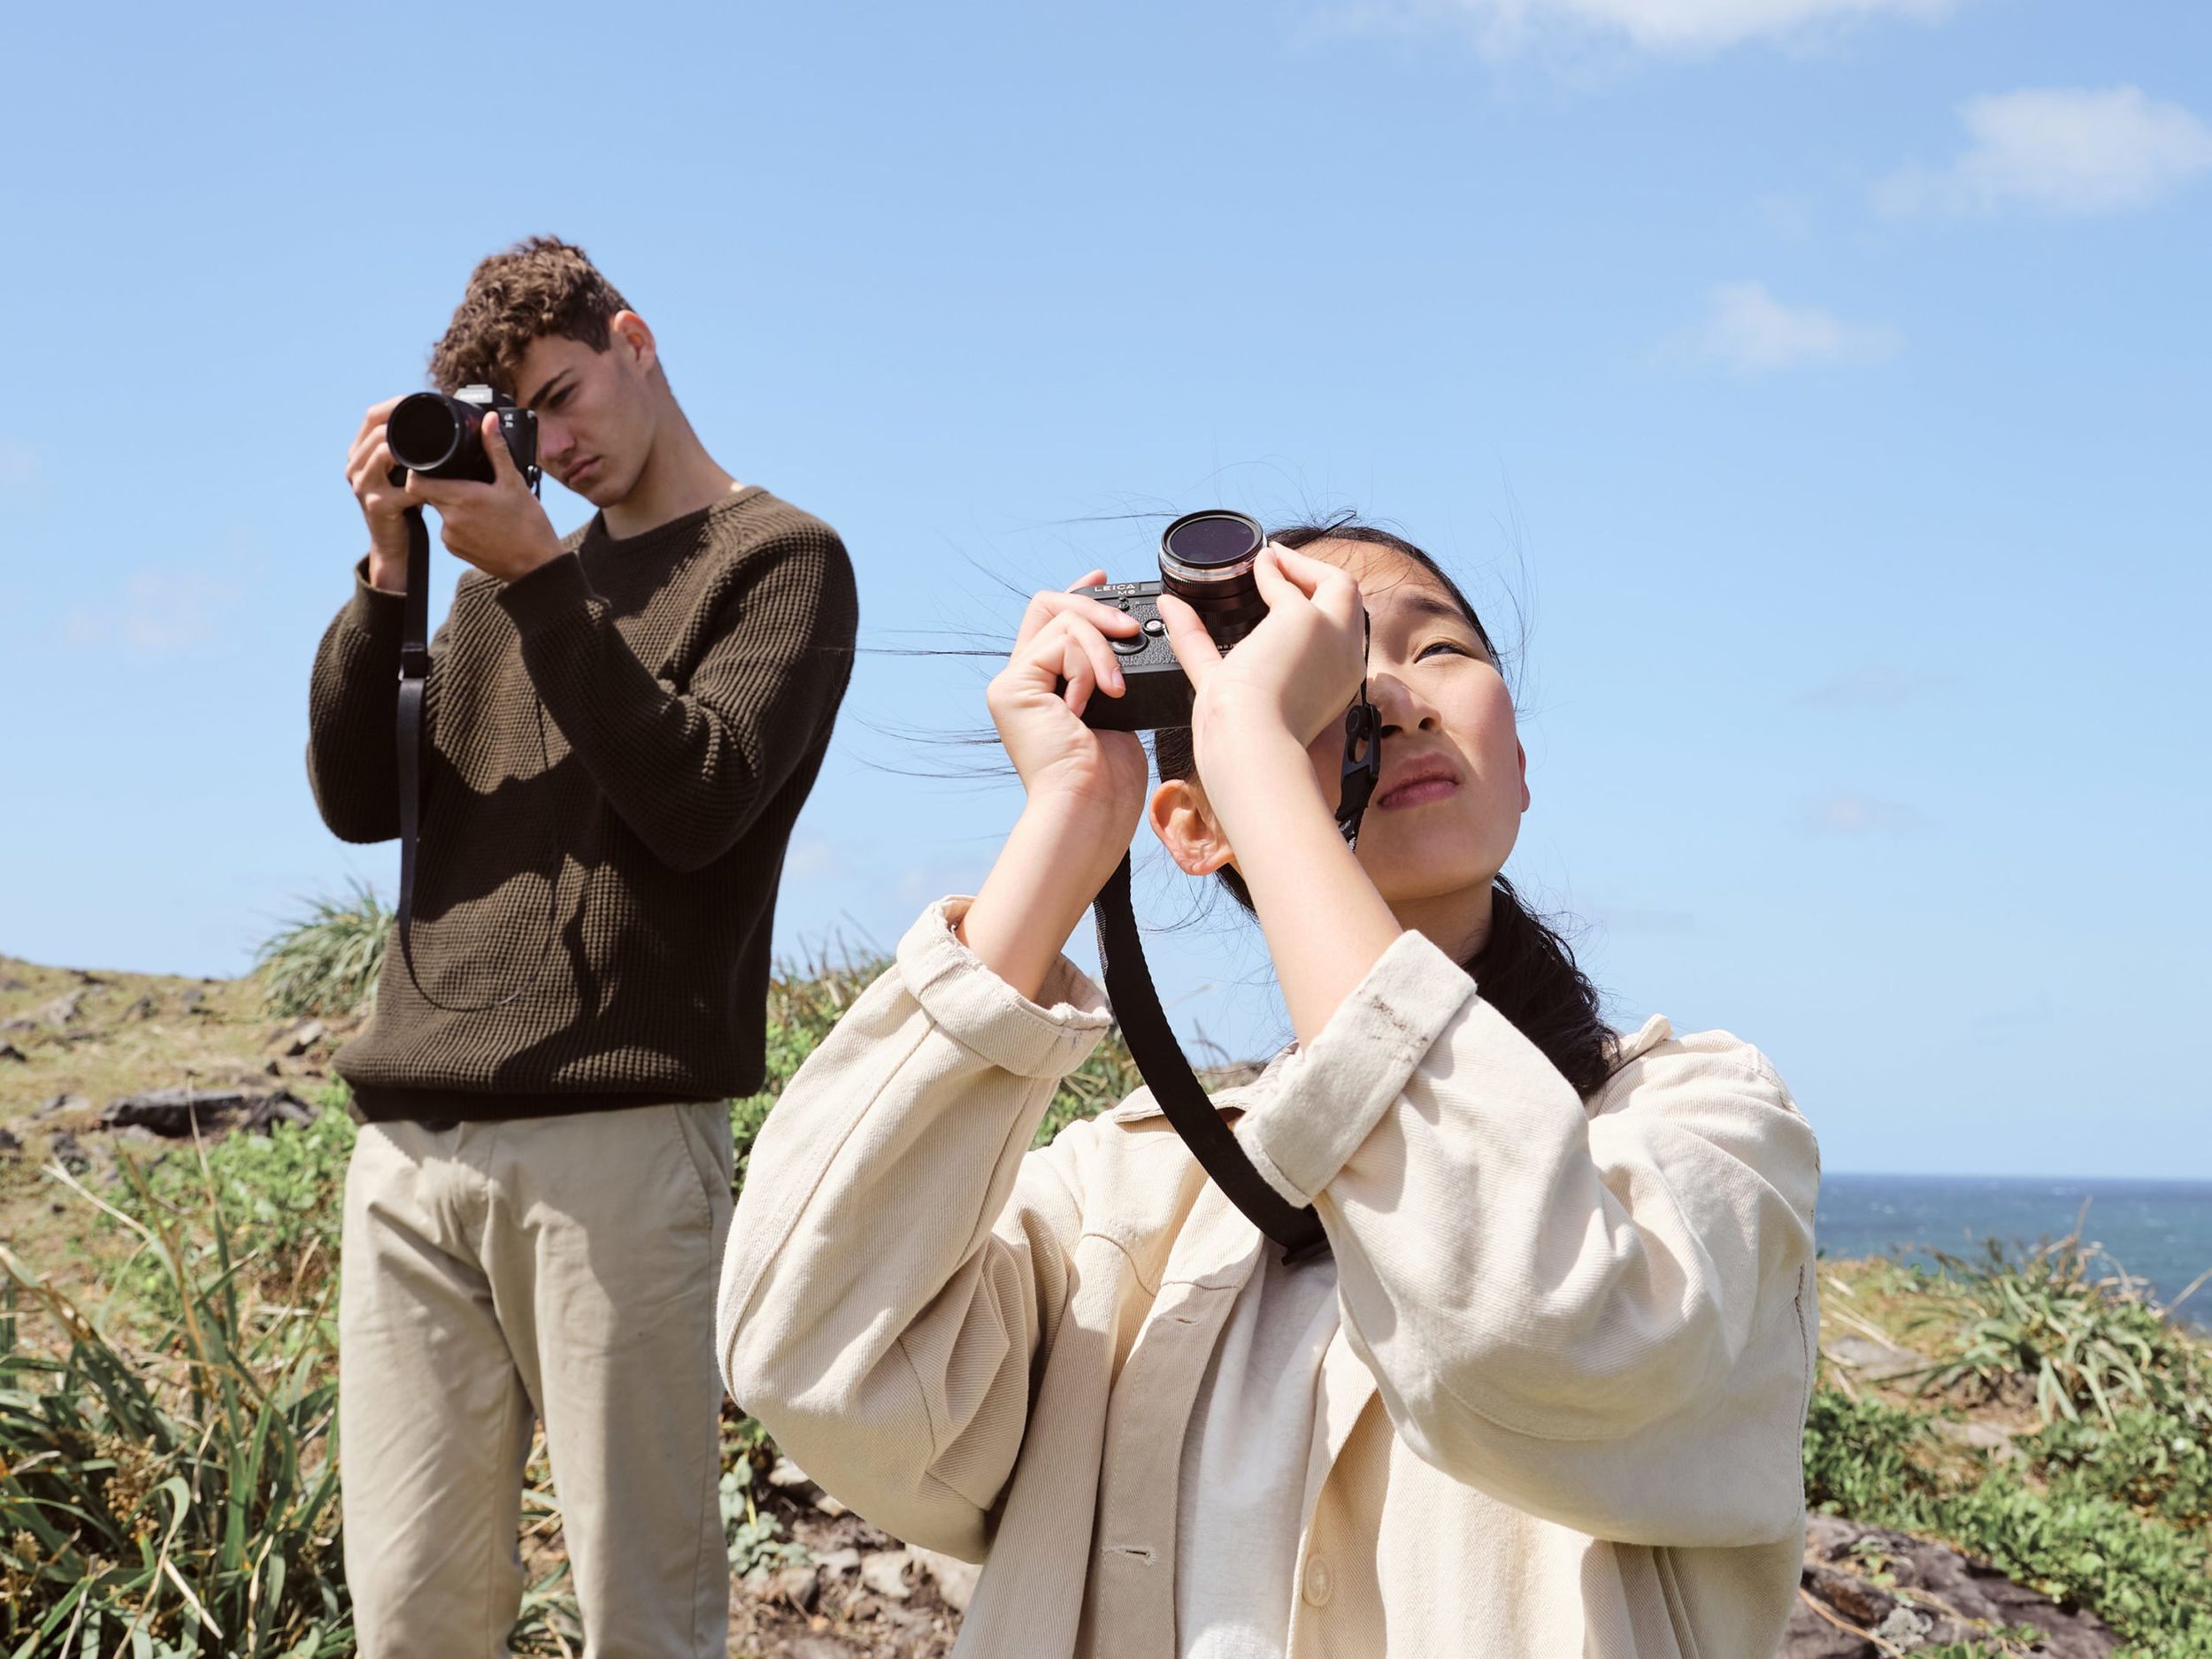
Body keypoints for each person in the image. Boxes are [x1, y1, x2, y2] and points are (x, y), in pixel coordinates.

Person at [717, 520, 1818, 1658]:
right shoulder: (1127, 1193)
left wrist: (1248, 746)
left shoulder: (1698, 1124)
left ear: (1522, 765)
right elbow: (810, 1351)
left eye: (1435, 647)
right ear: (1193, 832)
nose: (1393, 698)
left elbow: (1535, 1330)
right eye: (1326, 668)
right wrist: (1069, 822)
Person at [307, 235, 857, 1658]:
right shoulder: (498, 586)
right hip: (411, 1144)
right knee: (412, 1621)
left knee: (644, 1616)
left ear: (636, 338)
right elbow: (361, 801)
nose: (554, 444)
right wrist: (392, 570)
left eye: (564, 397)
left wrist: (545, 577)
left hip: (619, 1135)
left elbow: (696, 802)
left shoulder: (780, 560)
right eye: (521, 423)